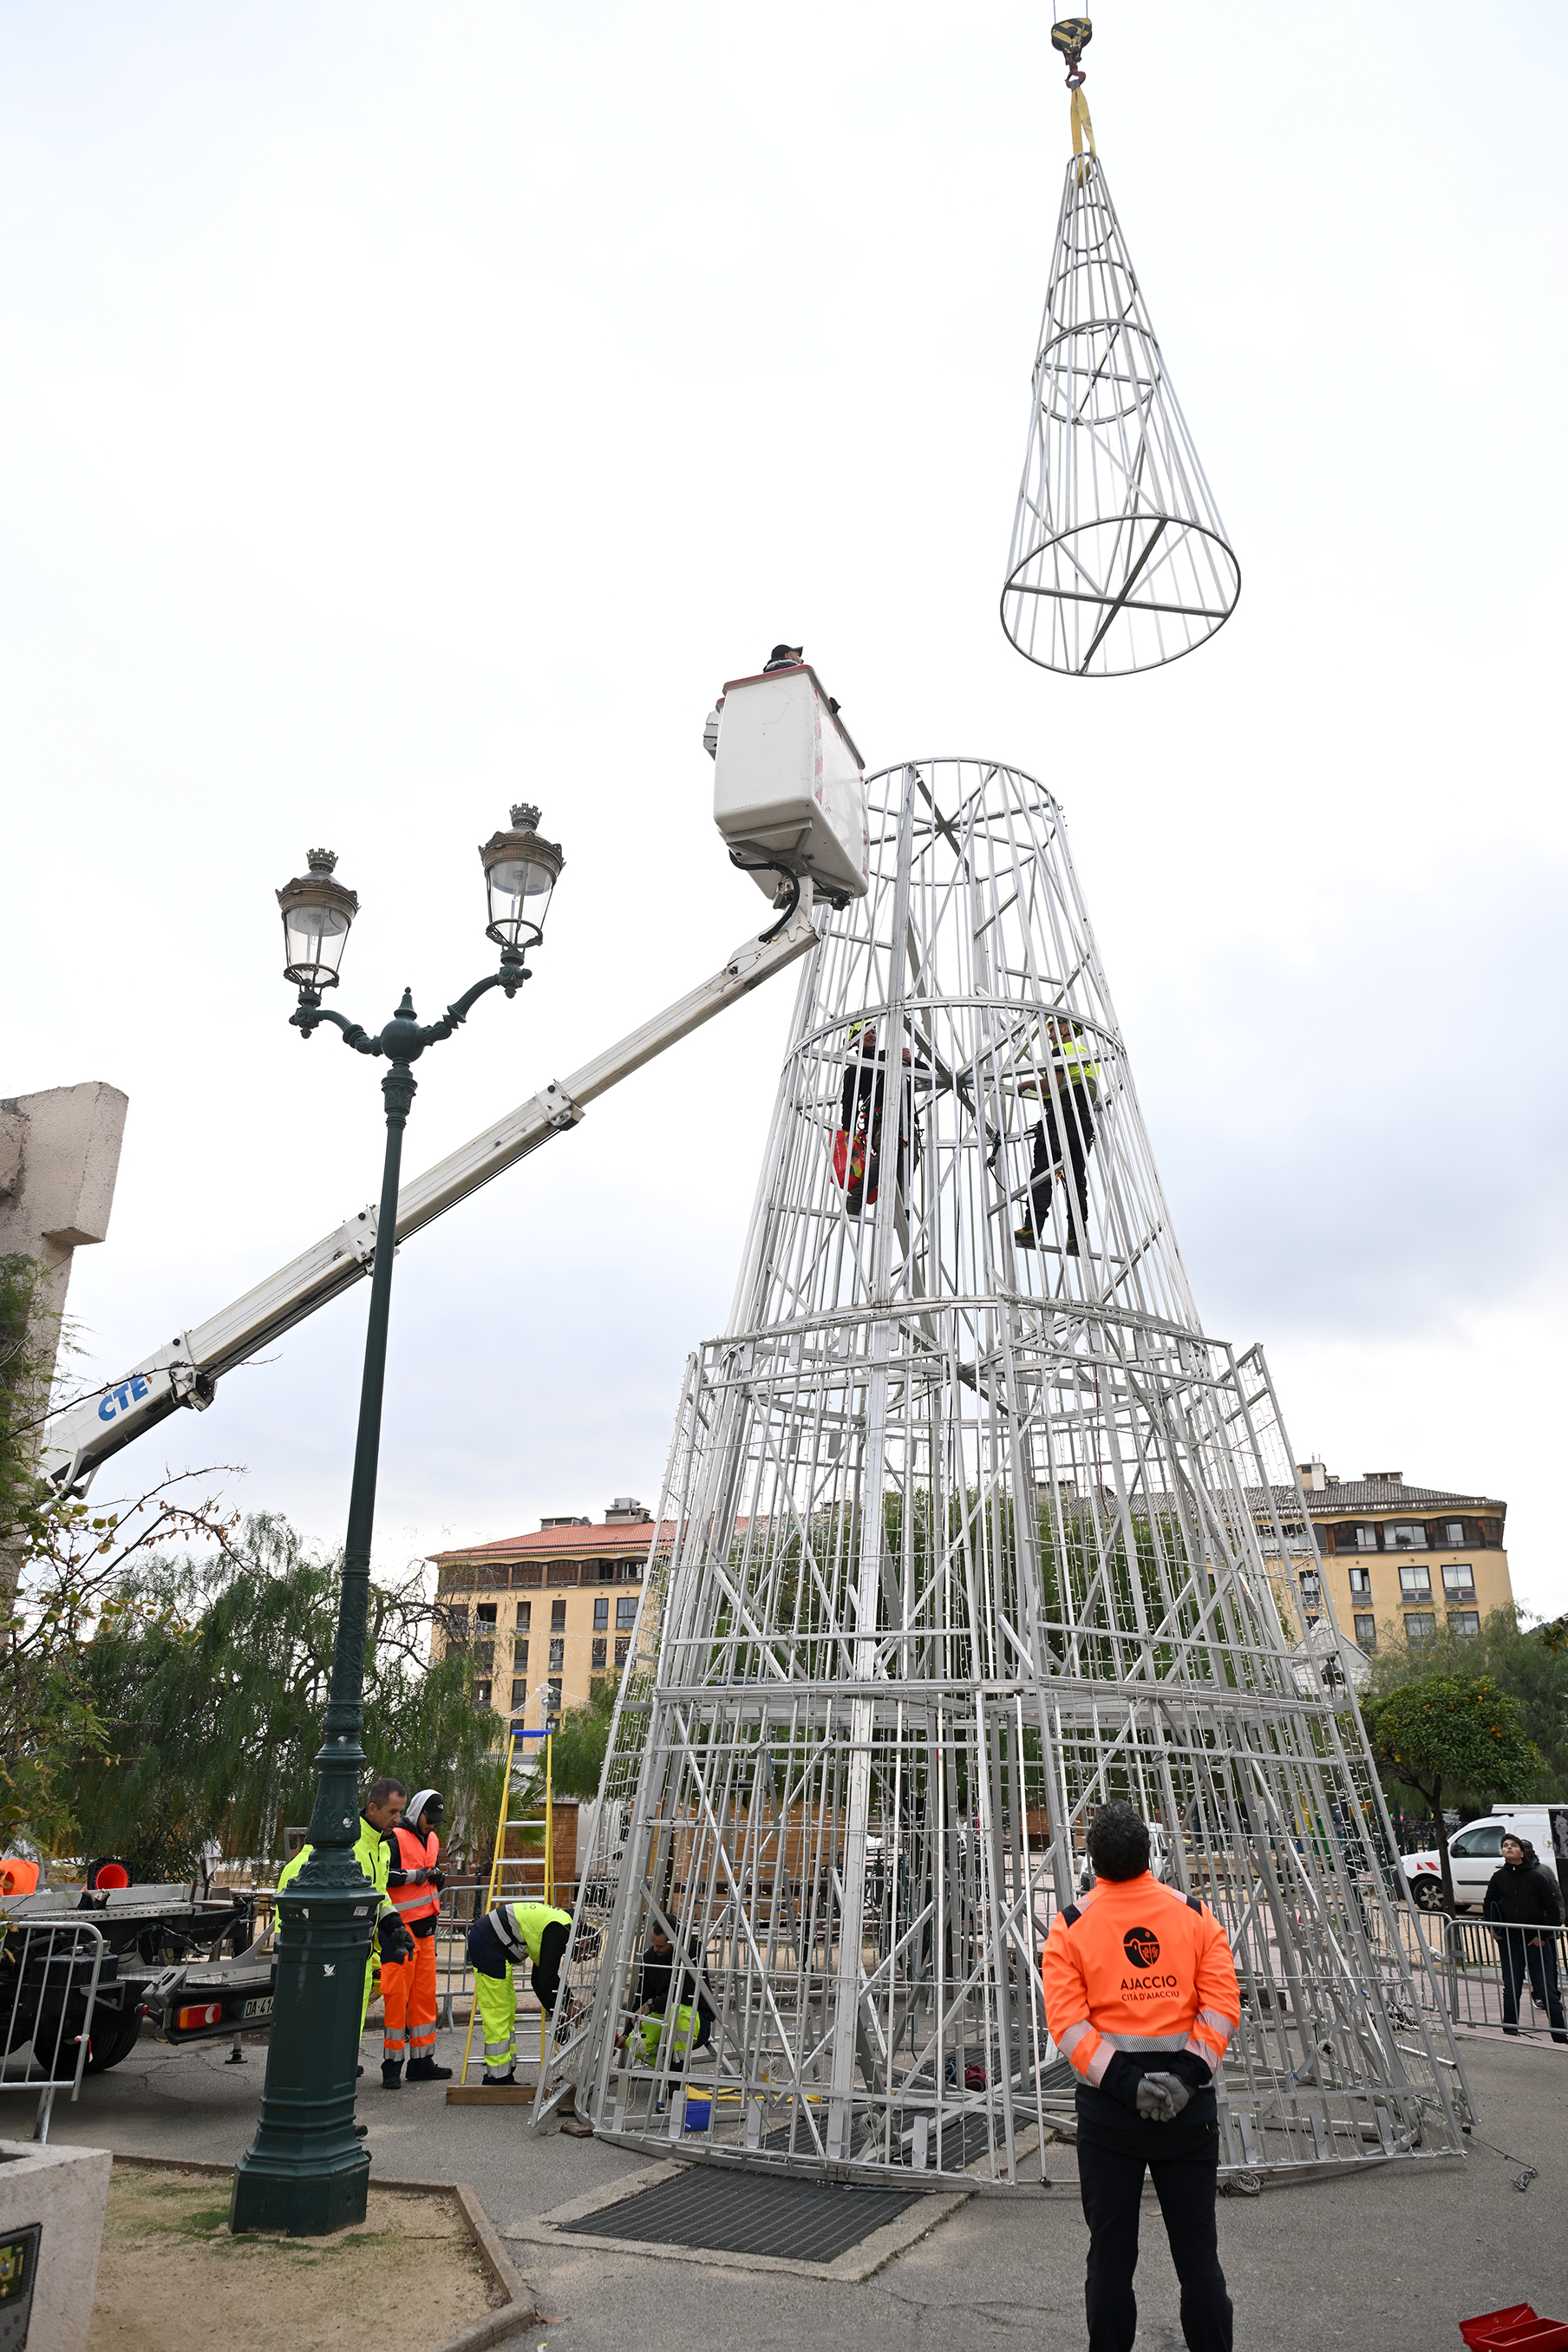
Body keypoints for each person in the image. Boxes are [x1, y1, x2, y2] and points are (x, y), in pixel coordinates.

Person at [1041, 1800, 1240, 2352]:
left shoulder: (1071, 1926)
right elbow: (1223, 2005)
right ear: (1149, 1854)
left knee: (1110, 2259)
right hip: (1188, 2112)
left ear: (1091, 1859)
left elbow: (1069, 2025)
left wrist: (1128, 2084)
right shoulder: (1195, 1915)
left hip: (1110, 2118)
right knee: (1199, 2257)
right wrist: (1186, 2074)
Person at [274, 1774, 415, 2097]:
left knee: (348, 2031)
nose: (398, 1819)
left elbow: (379, 1896)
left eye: (401, 1811)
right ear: (373, 1807)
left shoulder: (380, 1847)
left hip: (359, 1957)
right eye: (393, 1812)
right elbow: (292, 1893)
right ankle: (323, 2103)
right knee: (326, 2033)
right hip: (330, 1961)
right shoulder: (342, 1845)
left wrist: (394, 1926)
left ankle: (338, 2100)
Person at [465, 1893, 594, 2133]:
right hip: (488, 1943)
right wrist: (566, 2005)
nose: (578, 1960)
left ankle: (505, 2072)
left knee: (507, 2007)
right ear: (585, 1941)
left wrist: (563, 2009)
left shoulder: (561, 1925)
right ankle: (497, 2078)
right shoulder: (560, 1931)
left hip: (493, 1943)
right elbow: (546, 1978)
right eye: (585, 1955)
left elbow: (539, 1980)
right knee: (498, 2011)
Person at [380, 1787, 452, 2087]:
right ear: (417, 1812)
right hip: (400, 1932)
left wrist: (436, 1876)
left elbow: (425, 1878)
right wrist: (418, 1875)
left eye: (436, 1821)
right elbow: (384, 1876)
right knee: (397, 1999)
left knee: (423, 1998)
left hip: (426, 1930)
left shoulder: (433, 1839)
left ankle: (422, 2062)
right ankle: (392, 2068)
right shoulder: (395, 1836)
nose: (432, 1825)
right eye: (429, 1819)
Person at [1015, 1017, 1100, 1258]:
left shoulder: (1061, 1049)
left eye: (1052, 1030)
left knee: (1043, 1171)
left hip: (1061, 1117)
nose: (1050, 1036)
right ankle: (1076, 1237)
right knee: (1075, 1180)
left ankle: (1032, 1230)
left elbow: (1054, 1084)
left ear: (1065, 1029)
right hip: (1083, 1122)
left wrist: (1027, 1084)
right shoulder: (1086, 1055)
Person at [1483, 1832, 1567, 2043]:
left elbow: (1552, 1910)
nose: (1508, 1848)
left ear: (1522, 1852)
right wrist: (1494, 1931)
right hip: (1510, 1943)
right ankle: (1510, 2029)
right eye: (1505, 1845)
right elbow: (1488, 1904)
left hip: (1535, 1943)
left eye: (1513, 1845)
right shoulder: (1498, 1877)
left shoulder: (1537, 1877)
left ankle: (1559, 2033)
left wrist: (1543, 1935)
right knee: (1512, 1987)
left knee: (1547, 1990)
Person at [833, 1023, 913, 1218]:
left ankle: (896, 1201)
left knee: (910, 1160)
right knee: (890, 1155)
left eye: (874, 1031)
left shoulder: (890, 1056)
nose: (872, 1035)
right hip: (882, 1122)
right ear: (856, 1040)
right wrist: (849, 1136)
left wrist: (911, 1061)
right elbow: (849, 1103)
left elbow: (926, 1072)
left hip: (907, 1123)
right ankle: (858, 1196)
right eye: (866, 1033)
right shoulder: (855, 1069)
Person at [616, 1920, 715, 2068]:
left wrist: (653, 2005)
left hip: (695, 2017)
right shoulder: (649, 1957)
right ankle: (669, 2065)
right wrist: (626, 2033)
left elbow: (689, 1993)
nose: (655, 1949)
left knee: (677, 2011)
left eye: (660, 1946)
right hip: (662, 2017)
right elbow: (641, 1997)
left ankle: (676, 2076)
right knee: (634, 2042)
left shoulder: (693, 1950)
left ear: (675, 1941)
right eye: (653, 1944)